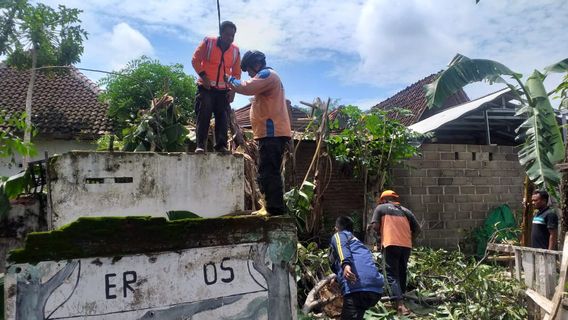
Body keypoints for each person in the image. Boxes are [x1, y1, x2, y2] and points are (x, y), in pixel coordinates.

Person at [226, 50, 291, 216]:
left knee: (269, 171)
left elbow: (246, 87)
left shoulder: (267, 74)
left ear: (256, 64)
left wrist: (228, 78)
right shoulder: (269, 76)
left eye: (248, 70)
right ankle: (271, 206)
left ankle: (274, 209)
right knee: (267, 171)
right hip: (270, 133)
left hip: (272, 132)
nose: (249, 74)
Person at [191, 20, 241, 153]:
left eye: (232, 36)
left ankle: (221, 146)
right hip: (206, 88)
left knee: (222, 117)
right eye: (227, 35)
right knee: (204, 114)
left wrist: (233, 90)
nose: (230, 38)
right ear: (221, 33)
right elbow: (195, 60)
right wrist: (204, 77)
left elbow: (236, 73)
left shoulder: (235, 51)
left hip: (223, 90)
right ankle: (200, 145)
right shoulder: (208, 42)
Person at [370, 190, 420, 316]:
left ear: (383, 199)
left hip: (390, 244)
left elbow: (375, 226)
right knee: (402, 272)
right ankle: (402, 298)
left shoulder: (380, 208)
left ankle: (400, 305)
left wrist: (378, 238)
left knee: (392, 275)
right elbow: (418, 229)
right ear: (394, 198)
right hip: (406, 246)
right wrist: (410, 240)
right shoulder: (406, 211)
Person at [329, 216, 384, 320]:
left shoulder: (339, 235)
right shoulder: (358, 244)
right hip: (376, 290)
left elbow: (342, 247)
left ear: (336, 228)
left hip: (357, 288)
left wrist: (346, 264)